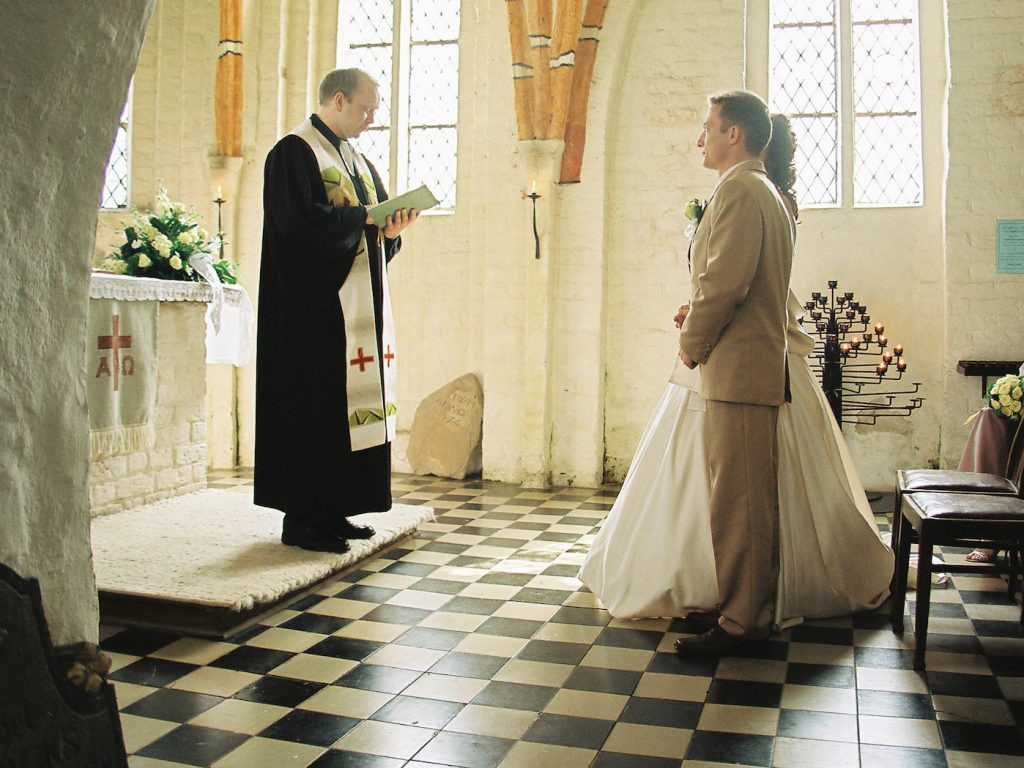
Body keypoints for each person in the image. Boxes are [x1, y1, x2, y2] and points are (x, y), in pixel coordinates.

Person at [579, 111, 893, 648]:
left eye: (708, 125)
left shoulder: (747, 193)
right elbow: (728, 282)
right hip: (742, 357)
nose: (698, 136)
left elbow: (728, 284)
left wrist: (691, 343)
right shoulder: (754, 191)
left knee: (742, 499)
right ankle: (734, 603)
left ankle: (743, 619)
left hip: (744, 366)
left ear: (736, 134)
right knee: (731, 496)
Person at [255, 68, 418, 554]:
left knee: (347, 412)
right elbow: (297, 227)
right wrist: (361, 219)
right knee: (316, 410)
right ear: (339, 100)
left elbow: (371, 238)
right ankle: (303, 517)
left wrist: (388, 233)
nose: (371, 120)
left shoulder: (360, 163)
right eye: (367, 109)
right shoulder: (294, 152)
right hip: (313, 315)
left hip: (357, 312)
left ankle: (336, 507)